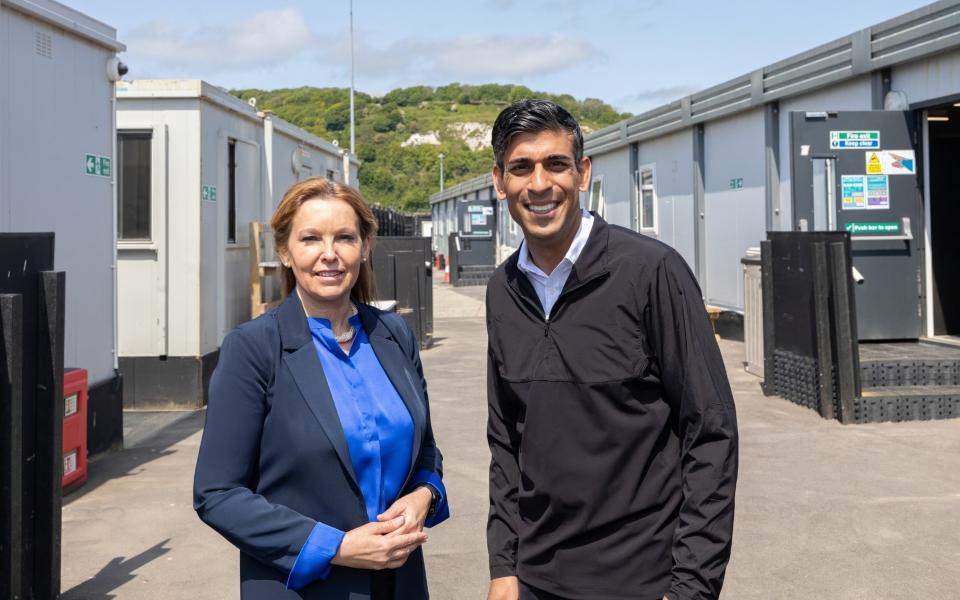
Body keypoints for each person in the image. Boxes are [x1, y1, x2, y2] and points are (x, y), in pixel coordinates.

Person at [485, 100, 738, 600]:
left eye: (555, 164)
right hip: (536, 580)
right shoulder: (503, 290)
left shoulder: (652, 273)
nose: (539, 184)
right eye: (521, 168)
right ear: (499, 182)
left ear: (582, 173)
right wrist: (504, 567)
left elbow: (710, 432)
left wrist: (692, 587)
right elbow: (506, 440)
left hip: (642, 580)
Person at [194, 177, 448, 599]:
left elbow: (426, 450)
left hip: (399, 584)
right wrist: (338, 547)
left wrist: (425, 494)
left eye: (344, 238)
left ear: (365, 247)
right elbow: (217, 494)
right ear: (285, 252)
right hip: (306, 587)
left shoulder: (394, 334)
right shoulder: (254, 349)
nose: (329, 254)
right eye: (310, 239)